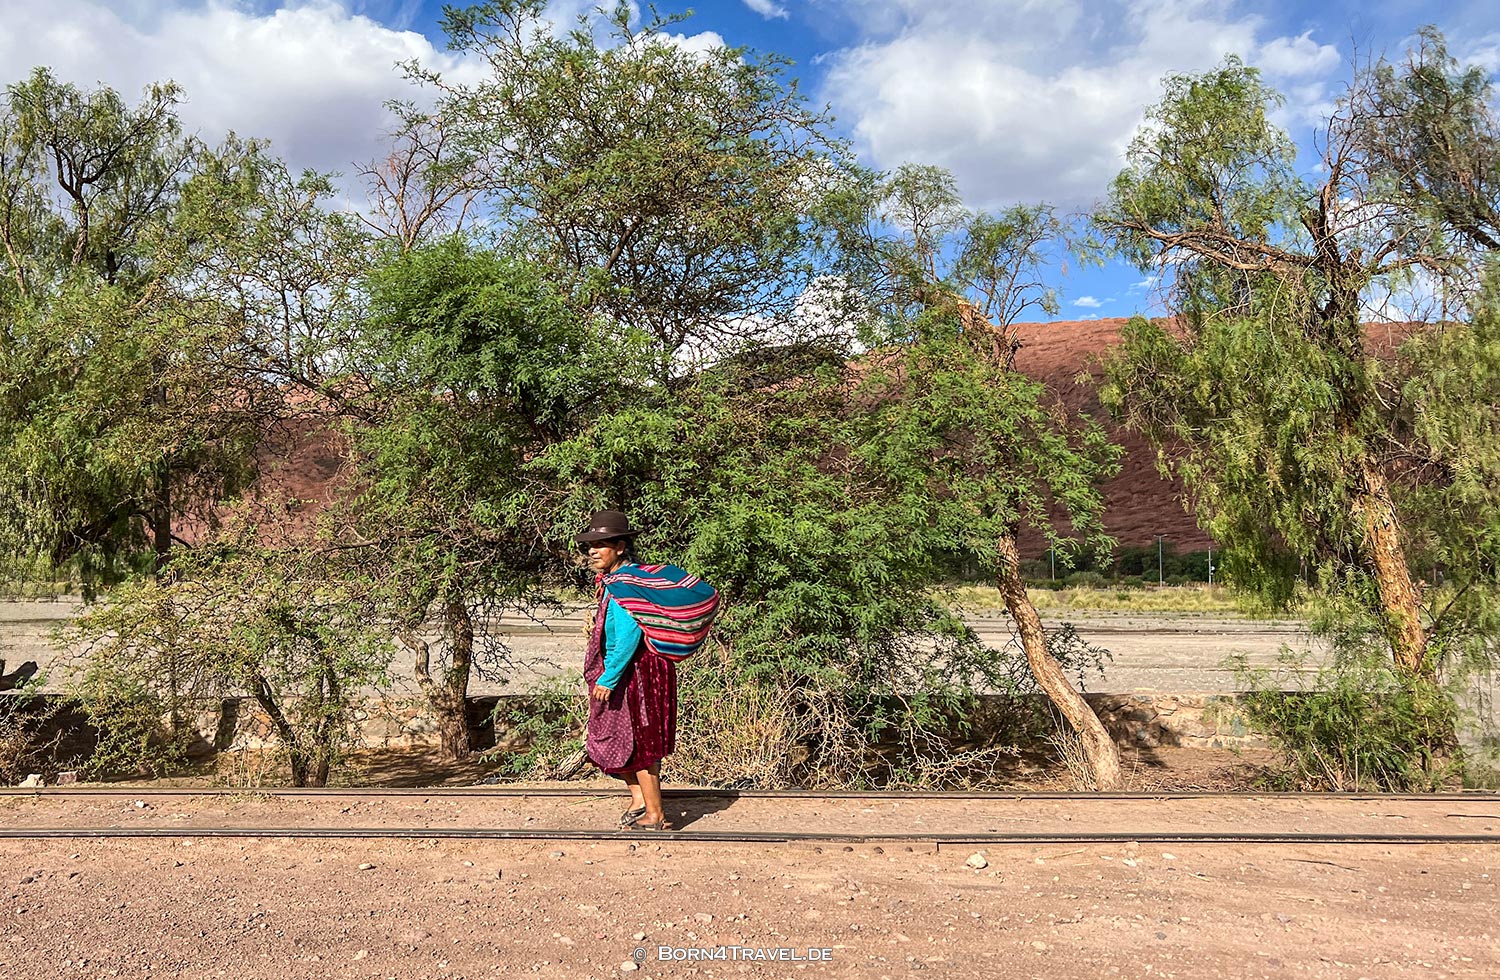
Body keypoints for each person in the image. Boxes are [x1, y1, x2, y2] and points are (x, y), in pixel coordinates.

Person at [577, 509, 677, 831]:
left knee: (640, 740)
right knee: (613, 734)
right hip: (628, 670)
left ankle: (656, 815)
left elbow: (628, 636)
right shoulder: (616, 581)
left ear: (620, 547)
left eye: (601, 544)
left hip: (637, 672)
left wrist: (608, 678)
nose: (593, 551)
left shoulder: (625, 585)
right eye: (590, 545)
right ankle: (639, 799)